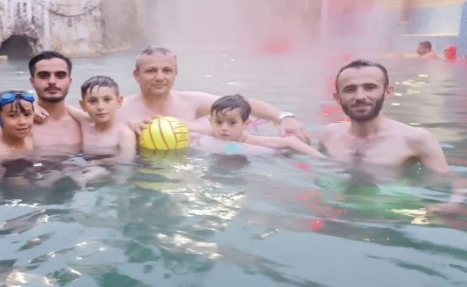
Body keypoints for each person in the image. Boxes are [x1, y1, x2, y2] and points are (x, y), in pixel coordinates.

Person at [319, 59, 465, 211]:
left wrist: (453, 204)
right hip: (338, 210)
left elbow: (451, 180)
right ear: (337, 98)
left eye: (370, 88)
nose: (360, 96)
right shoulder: (329, 134)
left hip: (390, 214)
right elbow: (319, 170)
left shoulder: (415, 139)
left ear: (387, 92)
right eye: (350, 89)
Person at [119, 46, 310, 143]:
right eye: (151, 71)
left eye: (167, 71)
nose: (160, 77)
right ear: (136, 75)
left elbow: (243, 104)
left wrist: (284, 117)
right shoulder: (121, 111)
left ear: (176, 73)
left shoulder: (191, 101)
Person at [195, 94, 324, 158]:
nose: (224, 128)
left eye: (232, 123)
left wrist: (321, 160)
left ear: (245, 124)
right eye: (218, 122)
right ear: (211, 122)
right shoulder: (210, 131)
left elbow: (290, 142)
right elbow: (189, 126)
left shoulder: (250, 140)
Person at [68, 75, 137, 164]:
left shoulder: (124, 134)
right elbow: (63, 106)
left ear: (119, 102)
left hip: (111, 169)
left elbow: (126, 159)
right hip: (84, 163)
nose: (100, 107)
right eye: (93, 101)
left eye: (107, 100)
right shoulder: (85, 122)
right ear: (83, 105)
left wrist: (97, 163)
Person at [27, 51, 82, 155]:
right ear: (32, 81)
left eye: (60, 75)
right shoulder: (20, 126)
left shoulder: (85, 123)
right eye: (43, 75)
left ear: (69, 81)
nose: (52, 81)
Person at [0, 90, 36, 161]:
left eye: (27, 114)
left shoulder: (29, 132)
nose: (22, 122)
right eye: (12, 116)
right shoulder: (1, 156)